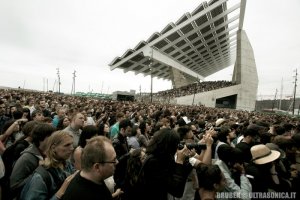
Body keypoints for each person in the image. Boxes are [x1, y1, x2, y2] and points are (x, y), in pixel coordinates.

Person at [136, 128, 192, 200]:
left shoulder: (163, 158)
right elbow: (176, 190)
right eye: (176, 145)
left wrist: (185, 162)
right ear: (169, 146)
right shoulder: (154, 162)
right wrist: (179, 161)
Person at [20, 130, 75, 200]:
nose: (72, 148)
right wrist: (59, 194)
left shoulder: (67, 164)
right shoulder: (40, 177)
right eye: (67, 145)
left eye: (72, 144)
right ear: (53, 148)